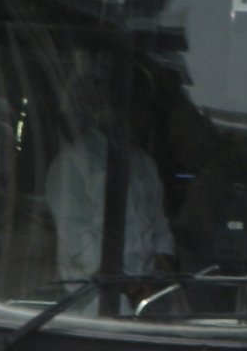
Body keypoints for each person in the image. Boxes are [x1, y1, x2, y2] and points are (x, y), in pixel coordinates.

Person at [45, 71, 174, 285]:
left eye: (148, 107)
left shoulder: (144, 162)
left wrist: (162, 269)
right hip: (93, 302)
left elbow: (159, 225)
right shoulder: (71, 164)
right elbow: (76, 244)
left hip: (148, 297)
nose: (148, 116)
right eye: (140, 106)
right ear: (115, 108)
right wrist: (129, 289)